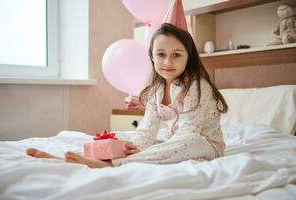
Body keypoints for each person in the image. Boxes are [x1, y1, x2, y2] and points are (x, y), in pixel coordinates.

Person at [27, 23, 228, 168]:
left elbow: (189, 133)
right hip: (174, 141)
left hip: (204, 144)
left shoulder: (196, 85)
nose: (167, 61)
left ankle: (111, 164)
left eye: (176, 54)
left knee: (189, 141)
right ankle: (74, 157)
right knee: (125, 137)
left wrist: (143, 152)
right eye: (160, 54)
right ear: (152, 56)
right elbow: (147, 129)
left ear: (188, 57)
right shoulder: (155, 90)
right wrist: (138, 147)